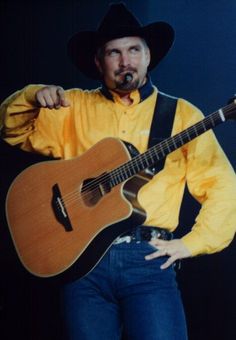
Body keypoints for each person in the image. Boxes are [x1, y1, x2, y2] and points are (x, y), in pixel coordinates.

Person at [0, 3, 236, 340]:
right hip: (81, 264)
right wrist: (33, 96)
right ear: (98, 62)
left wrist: (192, 243)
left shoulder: (182, 114)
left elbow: (223, 186)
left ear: (148, 56)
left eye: (134, 50)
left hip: (149, 260)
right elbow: (11, 129)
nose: (126, 61)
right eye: (114, 52)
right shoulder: (72, 106)